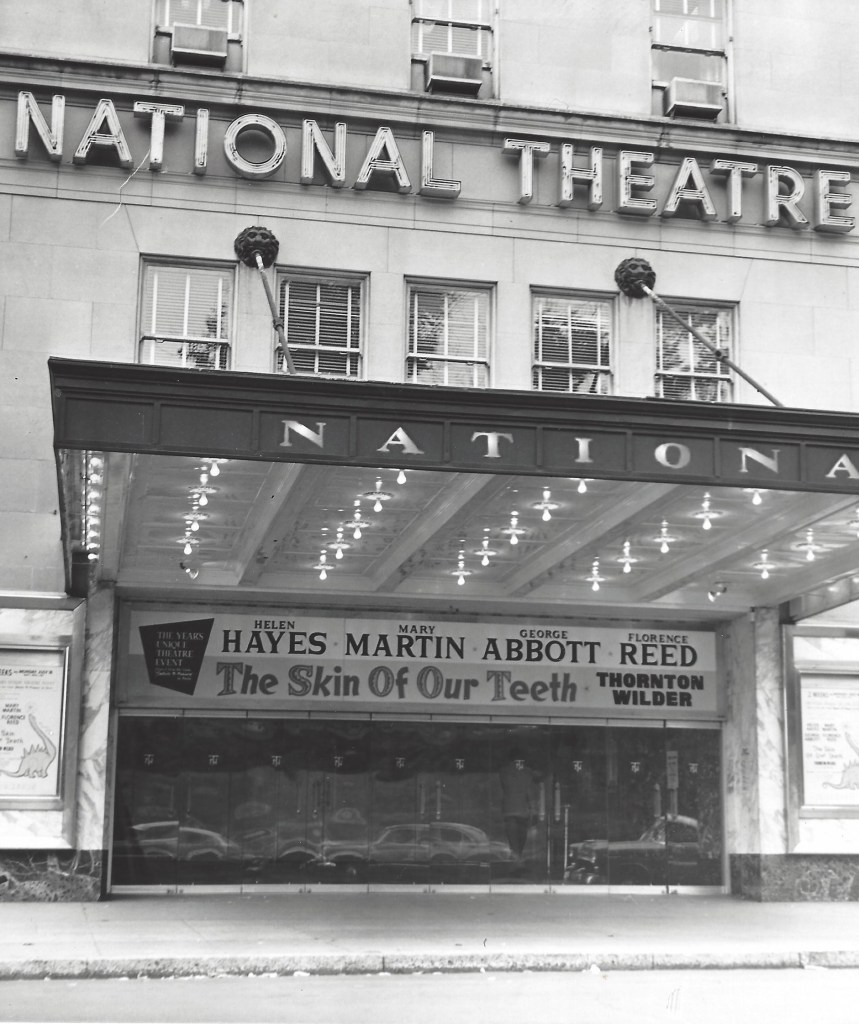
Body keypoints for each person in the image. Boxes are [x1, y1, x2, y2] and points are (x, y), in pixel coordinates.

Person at [499, 749, 535, 858]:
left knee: (519, 839)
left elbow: (529, 791)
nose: (518, 764)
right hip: (513, 812)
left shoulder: (526, 773)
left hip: (520, 812)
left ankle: (517, 862)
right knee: (515, 840)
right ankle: (517, 863)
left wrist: (532, 809)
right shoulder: (506, 772)